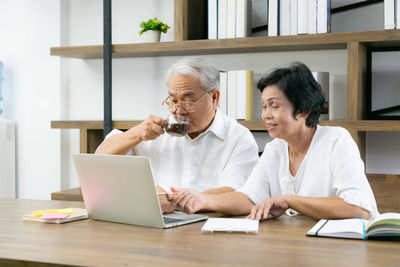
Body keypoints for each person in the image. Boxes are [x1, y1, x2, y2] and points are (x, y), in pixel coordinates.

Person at [168, 62, 378, 220]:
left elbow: (359, 209)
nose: (266, 115)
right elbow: (248, 198)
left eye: (275, 106)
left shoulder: (336, 140)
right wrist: (202, 199)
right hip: (299, 245)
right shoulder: (275, 149)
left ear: (304, 109)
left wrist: (289, 200)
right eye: (264, 106)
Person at [95, 57, 259, 213]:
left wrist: (175, 202)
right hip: (157, 227)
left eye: (187, 101)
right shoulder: (155, 130)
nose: (177, 110)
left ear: (214, 98)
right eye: (173, 100)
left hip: (210, 226)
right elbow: (99, 162)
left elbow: (235, 193)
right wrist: (135, 133)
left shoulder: (239, 138)